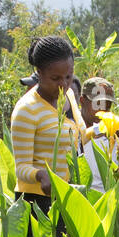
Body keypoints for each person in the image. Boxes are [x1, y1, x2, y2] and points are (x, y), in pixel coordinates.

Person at [10, 36, 79, 222]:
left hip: (66, 194)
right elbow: (21, 167)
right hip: (36, 202)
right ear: (39, 73)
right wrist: (41, 175)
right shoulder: (27, 109)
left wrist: (104, 130)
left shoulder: (69, 95)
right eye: (55, 78)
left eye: (68, 76)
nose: (63, 84)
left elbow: (75, 140)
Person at [78, 76, 118, 191]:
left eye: (108, 105)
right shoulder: (71, 126)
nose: (103, 111)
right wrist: (95, 131)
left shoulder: (113, 133)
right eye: (98, 104)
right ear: (82, 101)